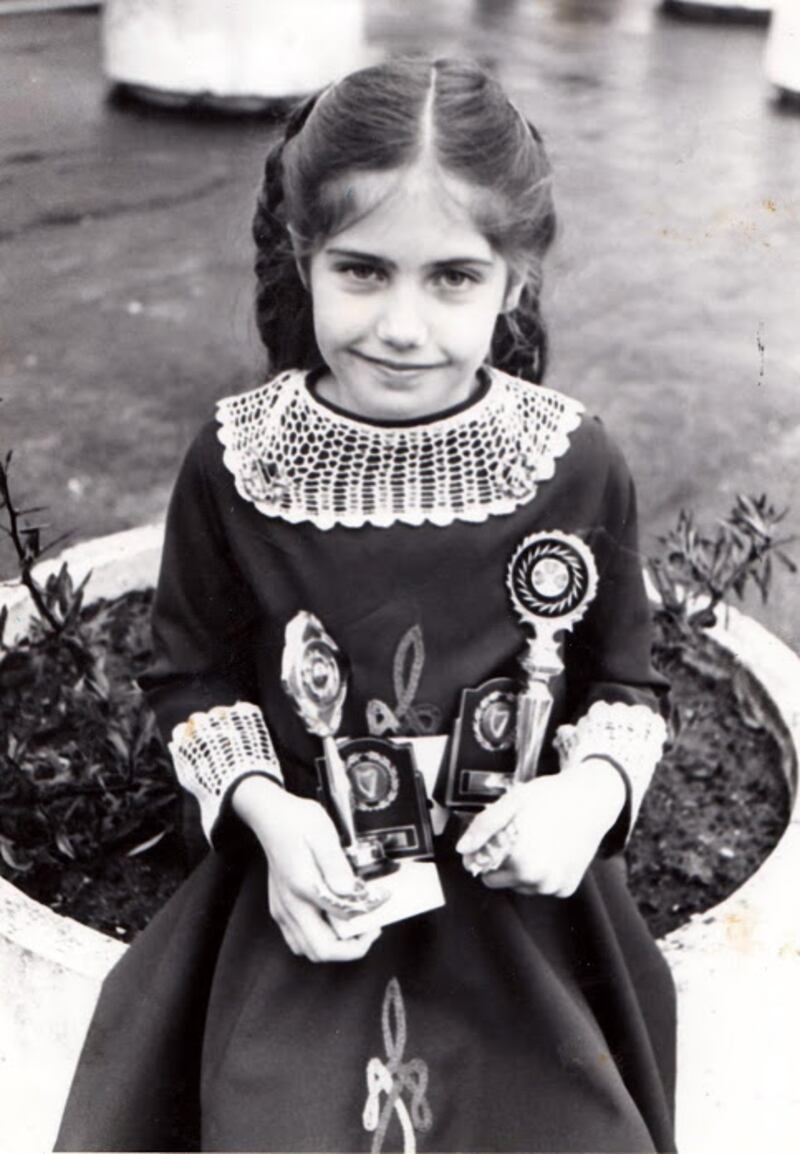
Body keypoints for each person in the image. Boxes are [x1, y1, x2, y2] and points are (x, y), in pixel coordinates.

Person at [56, 57, 676, 1154]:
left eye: (451, 278)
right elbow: (189, 670)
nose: (400, 324)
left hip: (521, 914)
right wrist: (266, 810)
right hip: (310, 894)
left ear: (515, 280)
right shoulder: (237, 459)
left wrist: (582, 796)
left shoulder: (573, 463)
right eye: (361, 270)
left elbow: (625, 679)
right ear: (302, 258)